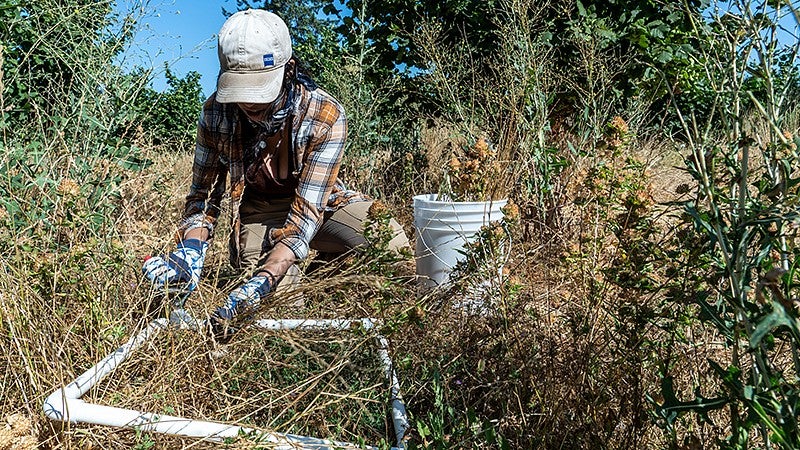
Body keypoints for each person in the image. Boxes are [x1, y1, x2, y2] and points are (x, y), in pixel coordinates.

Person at [143, 9, 408, 336]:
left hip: (323, 206)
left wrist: (267, 276)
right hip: (260, 214)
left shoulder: (324, 113)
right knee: (278, 317)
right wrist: (190, 253)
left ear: (289, 69)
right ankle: (296, 286)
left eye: (259, 88)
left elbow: (309, 210)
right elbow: (203, 198)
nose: (249, 103)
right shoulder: (215, 114)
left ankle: (322, 275)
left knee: (391, 245)